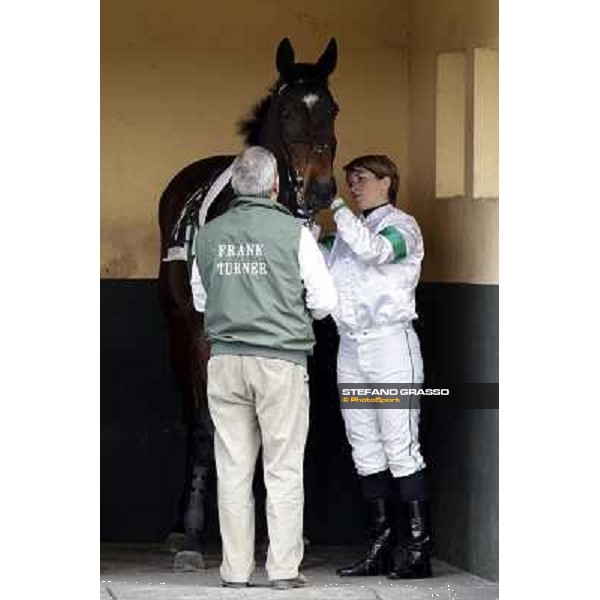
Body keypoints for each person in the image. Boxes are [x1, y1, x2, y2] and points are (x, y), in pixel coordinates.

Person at [190, 146, 338, 590]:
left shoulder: (209, 234)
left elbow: (201, 300)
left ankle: (234, 572)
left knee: (233, 468)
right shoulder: (294, 233)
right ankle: (283, 570)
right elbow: (325, 302)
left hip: (226, 362)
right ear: (275, 186)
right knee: (283, 467)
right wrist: (289, 313)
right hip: (280, 361)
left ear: (236, 185)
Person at [321, 155, 432, 579]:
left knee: (400, 447)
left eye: (361, 179)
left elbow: (376, 252)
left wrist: (334, 208)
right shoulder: (346, 233)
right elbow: (312, 257)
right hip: (350, 347)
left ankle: (418, 551)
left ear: (387, 182)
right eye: (349, 181)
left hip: (390, 346)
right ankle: (381, 549)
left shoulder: (402, 226)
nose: (353, 186)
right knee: (365, 448)